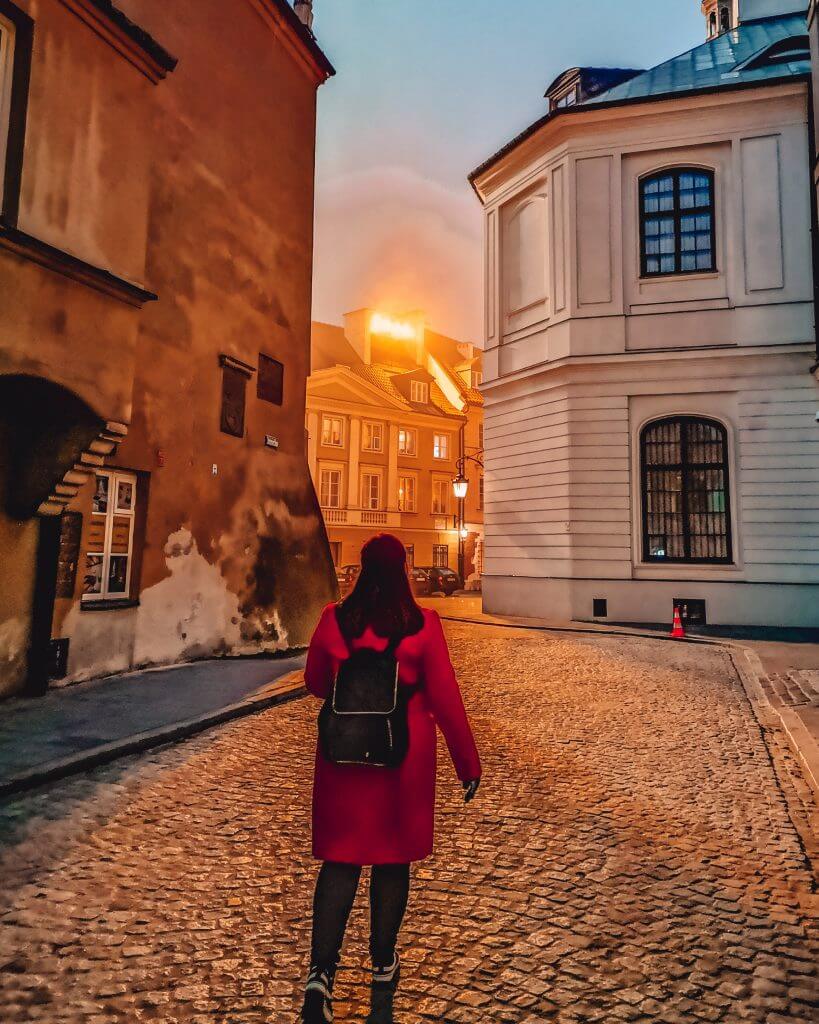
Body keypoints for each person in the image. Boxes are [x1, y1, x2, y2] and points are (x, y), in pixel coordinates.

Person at [299, 533, 482, 1024]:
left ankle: (321, 975)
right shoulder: (422, 625)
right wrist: (467, 763)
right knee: (392, 862)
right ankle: (382, 964)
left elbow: (315, 682)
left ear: (361, 570)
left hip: (343, 757)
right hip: (403, 759)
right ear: (403, 570)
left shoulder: (333, 620)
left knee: (340, 862)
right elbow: (446, 698)